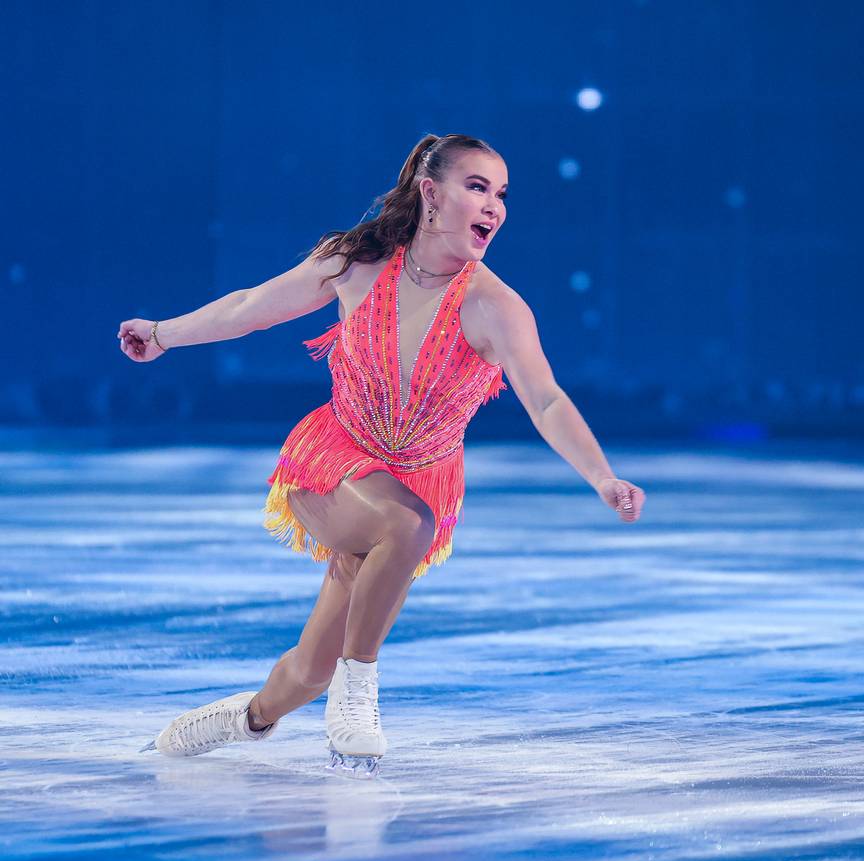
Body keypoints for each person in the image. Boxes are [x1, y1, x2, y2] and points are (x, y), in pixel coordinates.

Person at [118, 133, 646, 778]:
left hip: (417, 481)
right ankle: (360, 687)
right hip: (333, 458)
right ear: (431, 192)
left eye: (502, 194)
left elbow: (547, 402)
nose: (494, 207)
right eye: (477, 187)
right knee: (408, 524)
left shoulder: (496, 307)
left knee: (308, 671)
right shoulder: (357, 263)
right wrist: (164, 335)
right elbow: (252, 309)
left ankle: (243, 718)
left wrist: (601, 476)